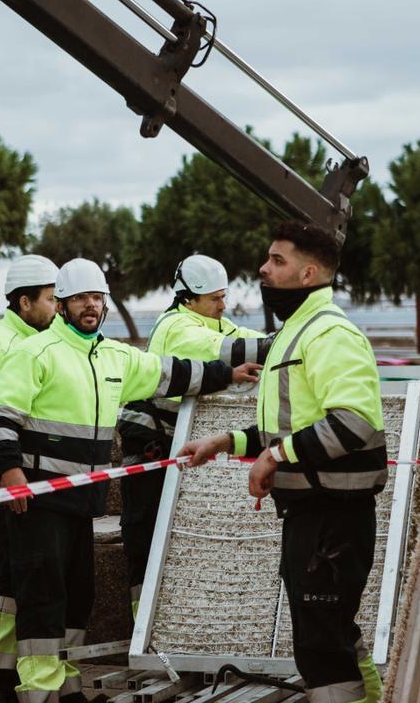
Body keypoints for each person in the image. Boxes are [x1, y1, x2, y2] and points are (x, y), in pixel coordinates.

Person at [0, 258, 261, 703]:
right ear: (63, 305)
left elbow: (173, 372)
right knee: (43, 597)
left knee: (78, 598)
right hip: (39, 500)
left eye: (97, 298)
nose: (90, 306)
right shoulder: (35, 352)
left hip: (80, 502)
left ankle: (64, 687)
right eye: (79, 299)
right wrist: (10, 470)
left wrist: (228, 374)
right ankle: (38, 691)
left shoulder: (114, 356)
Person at [178, 222, 387, 703]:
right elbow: (292, 426)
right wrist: (228, 440)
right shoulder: (296, 332)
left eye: (277, 261)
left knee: (321, 644)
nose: (263, 268)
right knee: (329, 631)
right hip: (314, 513)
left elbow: (355, 421)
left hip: (334, 515)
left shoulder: (330, 333)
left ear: (308, 272)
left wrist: (274, 455)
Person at [117, 254, 271, 614]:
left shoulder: (212, 322)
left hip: (176, 439)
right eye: (215, 298)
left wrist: (289, 341)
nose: (223, 304)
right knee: (148, 535)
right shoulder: (176, 327)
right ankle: (144, 625)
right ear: (190, 299)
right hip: (151, 443)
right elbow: (231, 353)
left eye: (223, 296)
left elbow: (254, 340)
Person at [0, 254, 60, 703]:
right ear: (25, 302)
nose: (57, 308)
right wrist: (5, 474)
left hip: (17, 480)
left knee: (19, 574)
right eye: (51, 300)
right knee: (9, 575)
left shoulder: (34, 344)